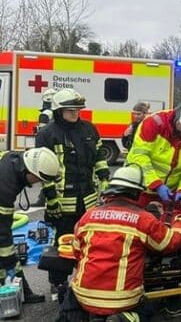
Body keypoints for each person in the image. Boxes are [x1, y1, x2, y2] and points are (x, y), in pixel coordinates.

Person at [56, 165, 181, 322]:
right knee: (148, 310)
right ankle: (125, 318)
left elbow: (77, 253)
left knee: (70, 300)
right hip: (123, 300)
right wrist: (180, 220)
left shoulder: (88, 216)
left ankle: (77, 316)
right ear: (137, 193)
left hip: (84, 295)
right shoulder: (143, 219)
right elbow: (170, 243)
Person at [35, 88, 110, 299]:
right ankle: (57, 284)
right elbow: (43, 171)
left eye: (77, 110)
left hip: (87, 199)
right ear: (59, 111)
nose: (75, 114)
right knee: (62, 243)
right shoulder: (47, 134)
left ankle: (86, 280)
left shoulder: (89, 129)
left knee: (90, 242)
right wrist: (51, 201)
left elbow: (100, 157)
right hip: (61, 201)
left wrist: (104, 179)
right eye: (70, 110)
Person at [0, 147, 60, 304]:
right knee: (6, 253)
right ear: (31, 173)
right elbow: (2, 231)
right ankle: (8, 291)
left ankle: (22, 292)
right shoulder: (6, 186)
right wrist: (8, 260)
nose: (40, 183)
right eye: (39, 179)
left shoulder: (19, 161)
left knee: (9, 256)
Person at [125, 101, 181, 220]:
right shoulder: (154, 123)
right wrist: (157, 185)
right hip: (140, 189)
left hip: (170, 194)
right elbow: (139, 158)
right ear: (178, 118)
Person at [31, 88, 59, 207]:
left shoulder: (45, 114)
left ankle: (42, 198)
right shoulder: (58, 113)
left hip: (45, 147)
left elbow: (41, 132)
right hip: (56, 147)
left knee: (44, 172)